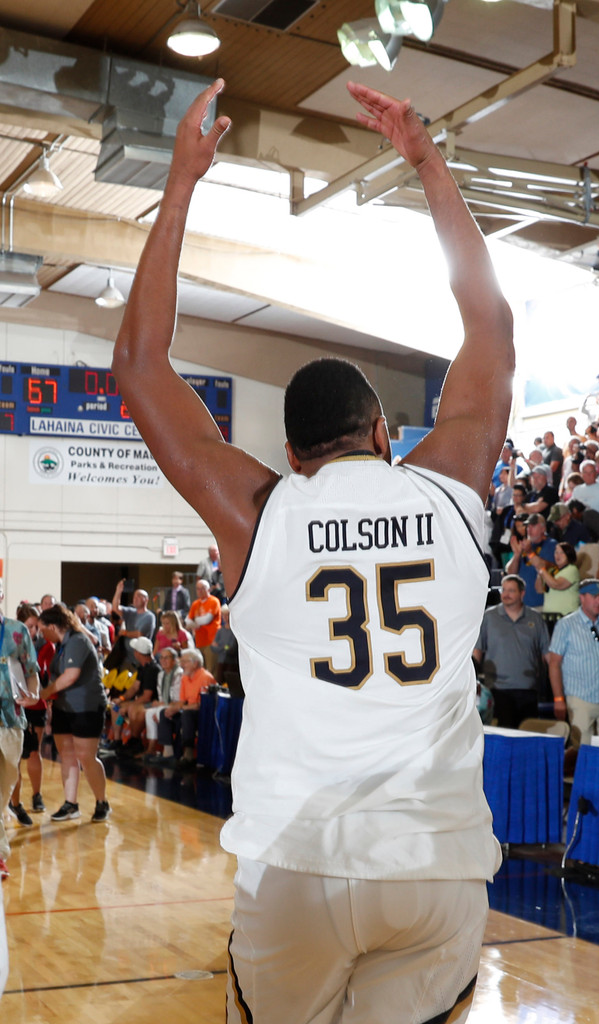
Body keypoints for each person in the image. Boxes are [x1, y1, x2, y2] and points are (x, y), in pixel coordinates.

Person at [112, 78, 514, 1024]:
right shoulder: (450, 487)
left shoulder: (260, 512)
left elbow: (137, 364)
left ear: (291, 454)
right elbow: (489, 326)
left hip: (298, 866)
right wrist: (425, 160)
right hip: (436, 865)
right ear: (382, 431)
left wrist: (179, 184)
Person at [37, 604, 111, 823]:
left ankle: (102, 802)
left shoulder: (77, 640)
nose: (42, 634)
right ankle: (71, 804)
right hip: (64, 707)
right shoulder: (61, 645)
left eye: (43, 629)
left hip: (86, 707)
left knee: (87, 757)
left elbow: (70, 676)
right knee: (67, 755)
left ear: (52, 626)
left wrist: (44, 694)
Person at [548, 579, 599, 744]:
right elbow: (554, 663)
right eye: (594, 596)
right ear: (582, 597)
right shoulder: (566, 625)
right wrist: (558, 698)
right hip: (580, 699)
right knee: (582, 750)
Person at [0, 582, 39, 880]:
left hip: (11, 718)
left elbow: (30, 670)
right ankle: (1, 855)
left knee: (4, 788)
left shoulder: (16, 630)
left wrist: (34, 694)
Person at [473, 575, 549, 727]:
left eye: (511, 590)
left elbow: (547, 656)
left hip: (528, 689)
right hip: (497, 690)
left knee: (527, 738)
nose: (506, 594)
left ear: (522, 593)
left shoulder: (536, 618)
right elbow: (477, 652)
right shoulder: (489, 617)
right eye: (504, 590)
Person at [7, 604, 49, 826]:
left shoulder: (40, 643)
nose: (34, 631)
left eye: (36, 626)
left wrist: (36, 694)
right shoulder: (16, 638)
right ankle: (14, 803)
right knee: (12, 765)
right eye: (30, 626)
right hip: (15, 709)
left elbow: (36, 673)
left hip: (27, 709)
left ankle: (35, 795)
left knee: (31, 754)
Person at [531, 541, 580, 621]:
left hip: (566, 618)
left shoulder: (572, 569)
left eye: (561, 553)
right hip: (550, 618)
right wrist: (539, 572)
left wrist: (542, 570)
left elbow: (556, 585)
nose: (558, 555)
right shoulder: (551, 571)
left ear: (569, 554)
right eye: (556, 552)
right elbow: (539, 590)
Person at [185, 579, 221, 674]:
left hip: (212, 641)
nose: (200, 591)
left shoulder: (214, 601)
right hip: (200, 641)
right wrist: (196, 622)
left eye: (202, 588)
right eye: (198, 589)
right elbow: (187, 621)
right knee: (201, 670)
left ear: (208, 589)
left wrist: (195, 622)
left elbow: (206, 620)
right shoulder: (195, 604)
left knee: (211, 670)